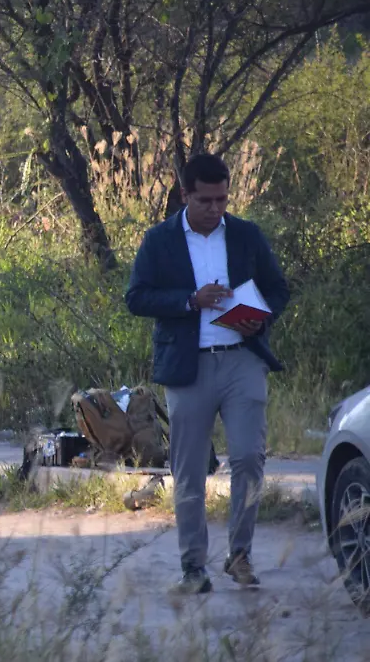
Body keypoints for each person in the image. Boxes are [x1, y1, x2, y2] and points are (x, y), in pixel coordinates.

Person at [125, 153, 290, 595]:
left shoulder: (245, 235)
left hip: (242, 359)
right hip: (188, 365)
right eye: (206, 201)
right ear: (185, 195)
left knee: (249, 459)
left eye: (222, 200)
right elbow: (136, 297)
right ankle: (192, 568)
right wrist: (190, 301)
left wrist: (261, 318)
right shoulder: (159, 240)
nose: (216, 209)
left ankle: (240, 556)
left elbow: (277, 288)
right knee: (190, 469)